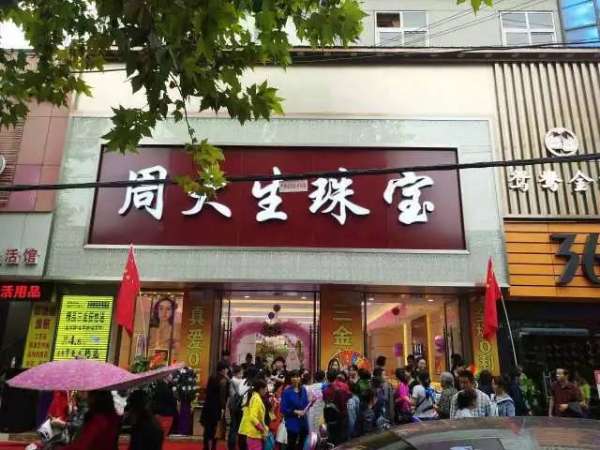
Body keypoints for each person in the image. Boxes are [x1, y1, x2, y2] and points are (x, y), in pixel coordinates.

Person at [201, 362, 230, 450]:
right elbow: (223, 396)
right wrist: (223, 407)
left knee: (207, 428)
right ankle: (213, 447)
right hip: (217, 407)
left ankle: (206, 446)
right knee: (215, 428)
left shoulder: (212, 377)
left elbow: (207, 391)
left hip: (208, 406)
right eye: (226, 369)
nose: (227, 371)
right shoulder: (223, 381)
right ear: (223, 369)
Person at [280, 370, 309, 450]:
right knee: (291, 445)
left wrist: (310, 404)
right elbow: (283, 408)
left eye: (297, 377)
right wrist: (295, 411)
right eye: (293, 377)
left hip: (303, 422)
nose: (295, 379)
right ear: (290, 379)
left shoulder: (303, 390)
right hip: (292, 422)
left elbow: (305, 403)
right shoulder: (287, 392)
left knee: (302, 444)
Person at [322, 370, 352, 446]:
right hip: (342, 416)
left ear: (327, 378)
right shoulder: (343, 386)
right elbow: (348, 398)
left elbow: (325, 402)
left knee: (332, 438)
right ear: (336, 377)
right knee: (342, 439)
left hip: (330, 418)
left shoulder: (325, 390)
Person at [239, 379, 269, 450]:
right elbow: (253, 417)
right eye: (265, 389)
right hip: (254, 433)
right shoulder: (257, 399)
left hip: (252, 432)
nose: (266, 391)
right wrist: (262, 429)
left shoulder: (254, 396)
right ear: (261, 389)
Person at [229, 365, 250, 450]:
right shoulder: (237, 381)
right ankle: (235, 445)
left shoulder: (232, 381)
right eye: (241, 373)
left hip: (233, 406)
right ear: (236, 373)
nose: (242, 375)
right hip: (238, 406)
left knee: (233, 427)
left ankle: (232, 446)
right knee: (237, 427)